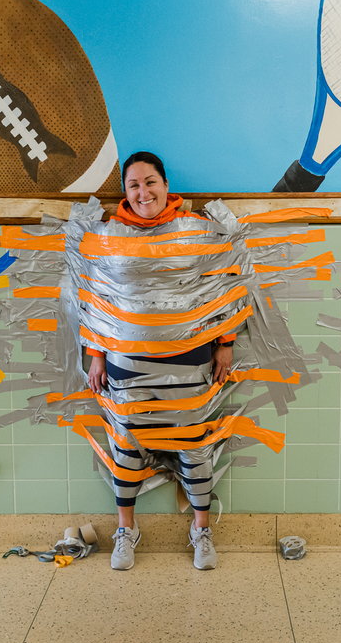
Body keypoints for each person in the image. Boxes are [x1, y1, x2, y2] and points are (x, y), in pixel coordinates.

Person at [85, 151, 235, 571]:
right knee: (127, 446)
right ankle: (125, 529)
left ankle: (201, 530)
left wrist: (225, 342)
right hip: (125, 362)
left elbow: (220, 285)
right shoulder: (110, 235)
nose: (143, 192)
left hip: (188, 359)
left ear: (166, 185)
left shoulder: (195, 232)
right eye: (133, 185)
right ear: (125, 192)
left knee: (193, 445)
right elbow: (97, 298)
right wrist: (95, 354)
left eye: (150, 182)